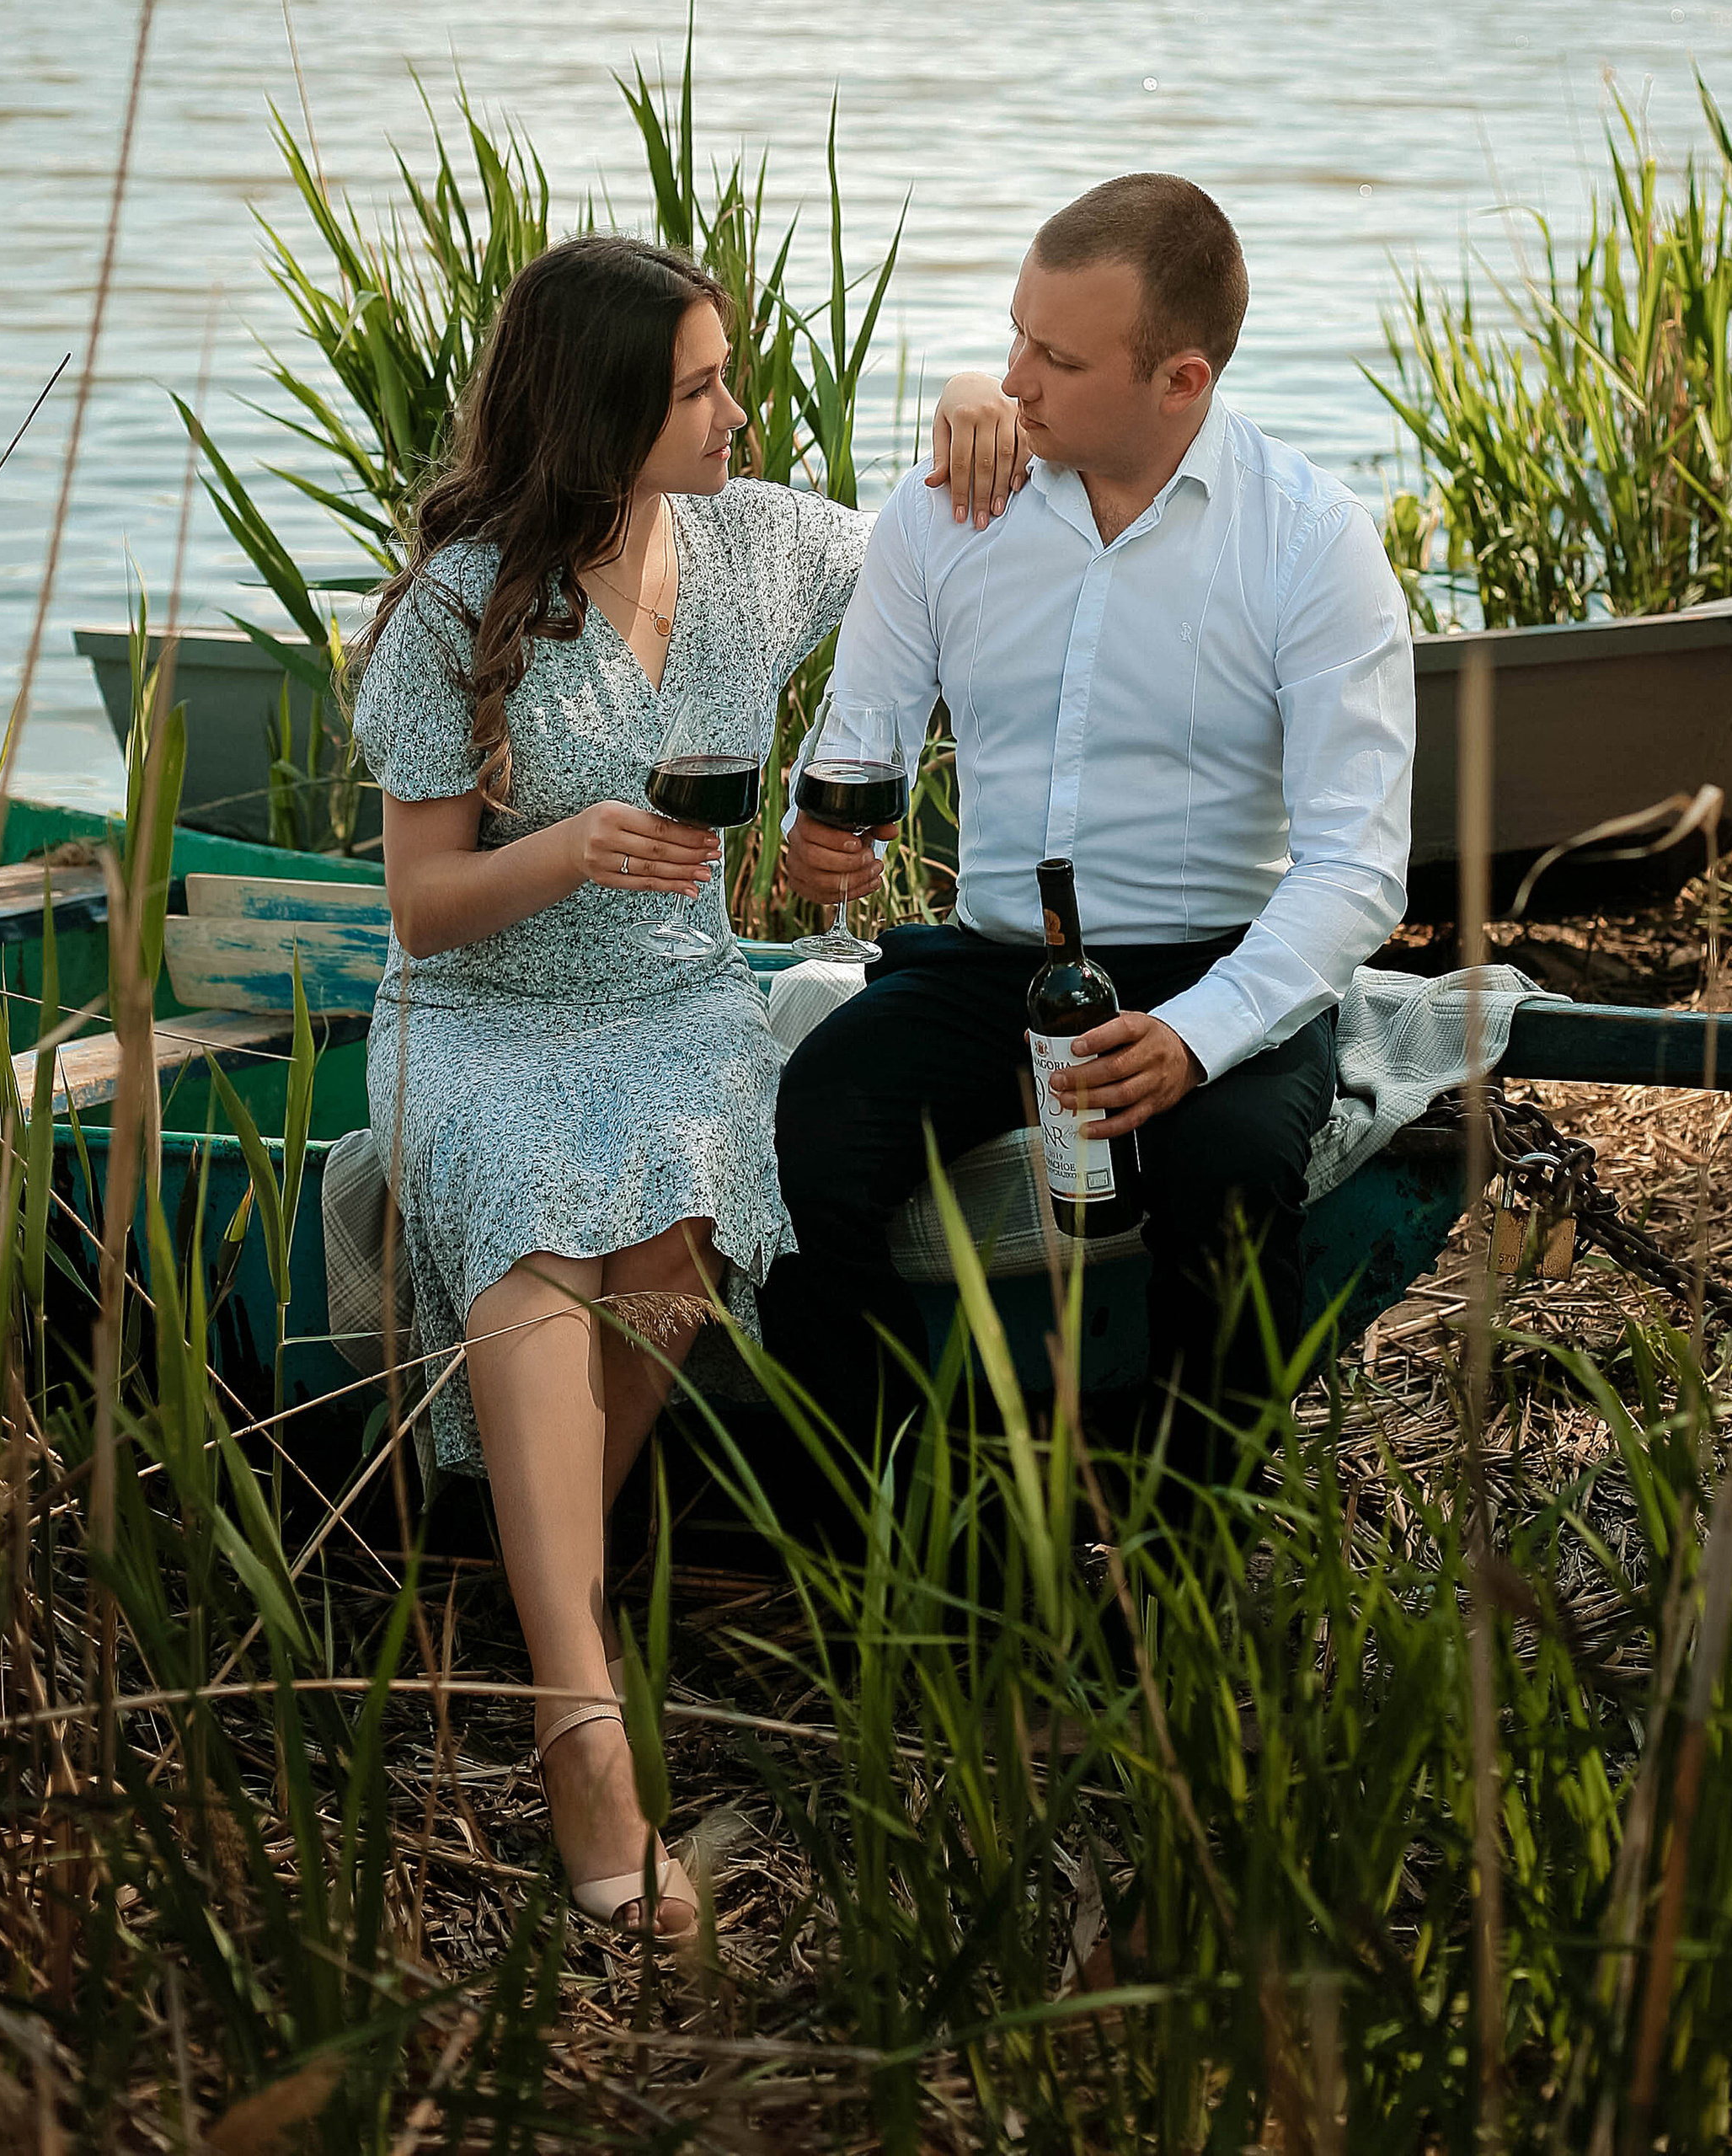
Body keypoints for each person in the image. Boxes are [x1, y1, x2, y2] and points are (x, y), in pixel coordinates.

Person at [349, 233, 1023, 1939]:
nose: (736, 411)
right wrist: (570, 847)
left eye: (726, 375)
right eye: (698, 389)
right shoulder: (454, 610)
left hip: (674, 1003)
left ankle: (531, 1572)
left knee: (665, 1263)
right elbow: (423, 908)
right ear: (597, 417)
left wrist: (967, 399)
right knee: (536, 1242)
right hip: (478, 1011)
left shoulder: (762, 547)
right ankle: (585, 1745)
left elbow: (941, 555)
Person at [760, 174, 1415, 1491]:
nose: (1015, 382)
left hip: (1208, 968)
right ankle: (895, 1524)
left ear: (1181, 379)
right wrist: (816, 836)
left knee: (1230, 1179)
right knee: (805, 1139)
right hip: (989, 967)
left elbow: (1357, 866)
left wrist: (1198, 1036)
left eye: (1057, 358)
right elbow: (852, 750)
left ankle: (1185, 1560)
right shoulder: (942, 515)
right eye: (1012, 339)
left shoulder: (1312, 544)